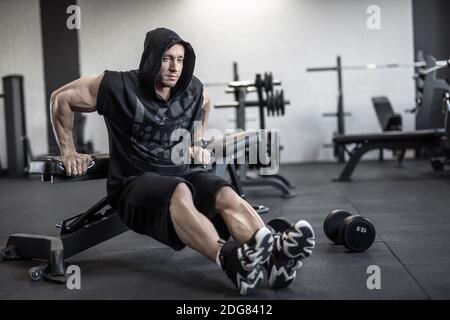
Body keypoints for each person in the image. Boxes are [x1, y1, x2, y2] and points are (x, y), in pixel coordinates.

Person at [49, 27, 315, 295]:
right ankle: (228, 260)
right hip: (133, 182)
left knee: (223, 192)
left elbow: (205, 103)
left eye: (180, 59)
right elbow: (62, 98)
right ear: (152, 58)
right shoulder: (118, 85)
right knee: (179, 190)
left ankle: (275, 259)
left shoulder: (191, 88)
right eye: (166, 58)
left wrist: (197, 142)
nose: (174, 67)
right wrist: (69, 151)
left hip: (181, 172)